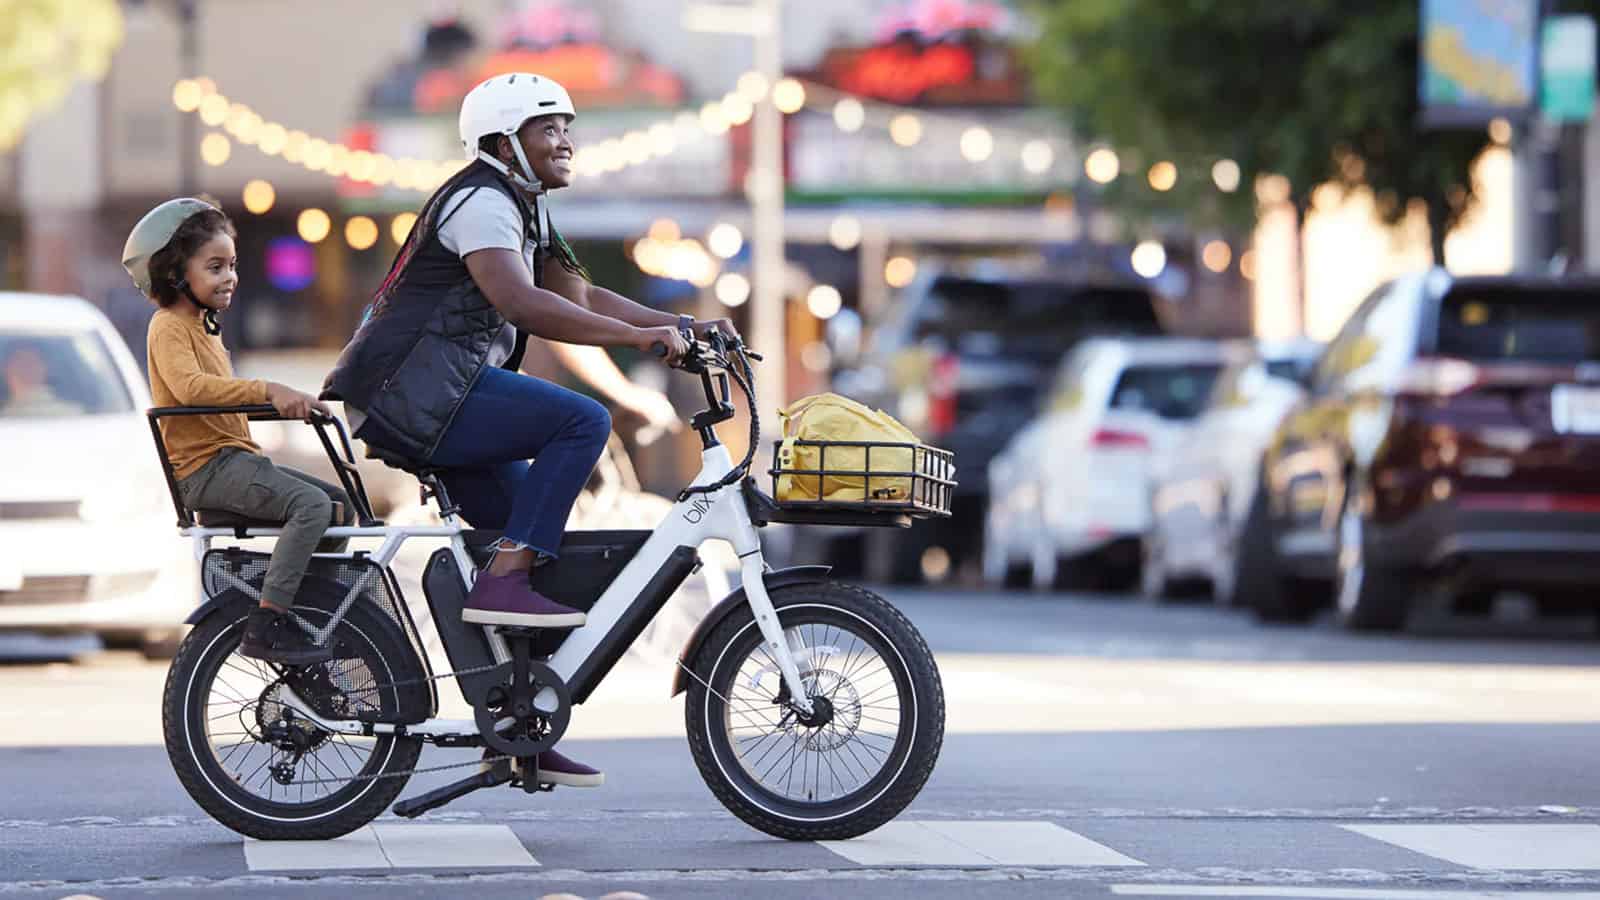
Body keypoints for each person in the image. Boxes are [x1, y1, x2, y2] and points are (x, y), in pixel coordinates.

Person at [324, 72, 736, 787]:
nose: (565, 141)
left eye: (567, 127)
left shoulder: (526, 208)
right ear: (503, 140)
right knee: (581, 420)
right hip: (416, 393)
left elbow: (578, 293)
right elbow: (523, 303)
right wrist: (638, 343)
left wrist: (679, 324)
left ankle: (516, 725)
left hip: (439, 394)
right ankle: (506, 582)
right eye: (549, 128)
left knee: (528, 545)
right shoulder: (481, 202)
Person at [123, 198, 355, 665]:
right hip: (206, 469)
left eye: (231, 265)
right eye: (214, 267)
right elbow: (191, 390)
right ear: (175, 274)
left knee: (339, 505)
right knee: (310, 506)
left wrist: (295, 402)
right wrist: (268, 390)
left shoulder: (206, 327)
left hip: (236, 460)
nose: (229, 276)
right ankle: (268, 622)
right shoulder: (169, 325)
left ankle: (304, 604)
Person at [0, 343, 82, 417]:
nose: (26, 368)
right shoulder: (76, 415)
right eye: (19, 361)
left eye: (32, 362)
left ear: (45, 369)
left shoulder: (72, 415)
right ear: (5, 369)